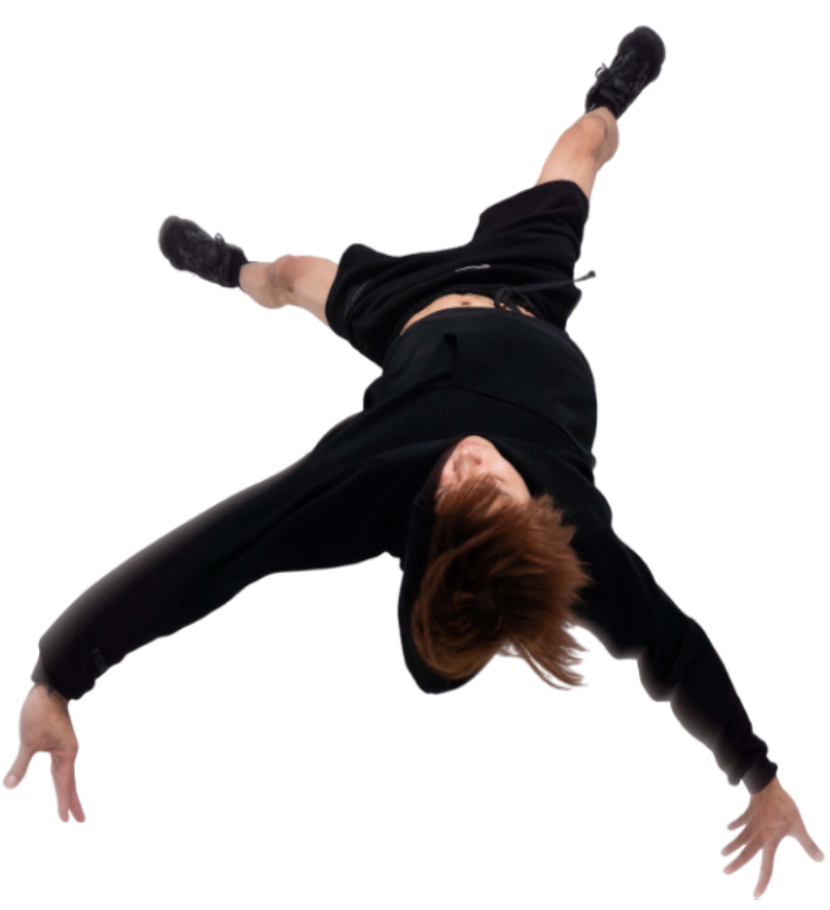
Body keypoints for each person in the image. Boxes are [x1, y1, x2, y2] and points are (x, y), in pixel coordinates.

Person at [3, 26, 824, 904]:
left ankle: (235, 268)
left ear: (427, 530)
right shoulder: (578, 538)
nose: (470, 459)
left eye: (454, 489)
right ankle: (607, 96)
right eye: (495, 487)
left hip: (406, 316)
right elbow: (673, 650)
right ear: (537, 520)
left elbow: (208, 558)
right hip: (527, 287)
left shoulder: (362, 484)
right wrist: (761, 777)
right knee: (585, 146)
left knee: (293, 274)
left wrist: (58, 677)